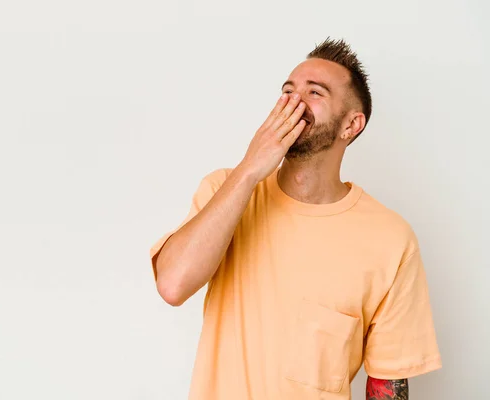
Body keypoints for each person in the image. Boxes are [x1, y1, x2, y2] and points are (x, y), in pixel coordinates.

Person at [148, 37, 442, 400]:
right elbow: (172, 285)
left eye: (315, 93)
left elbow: (387, 378)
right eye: (287, 91)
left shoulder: (392, 238)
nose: (294, 102)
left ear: (351, 125)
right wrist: (250, 169)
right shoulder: (225, 188)